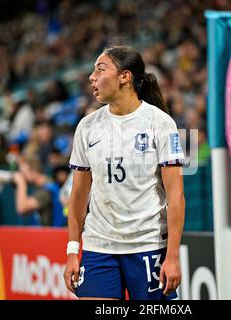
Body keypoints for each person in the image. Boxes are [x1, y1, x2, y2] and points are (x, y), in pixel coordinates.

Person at [63, 45, 186, 300]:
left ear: (125, 76)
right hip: (99, 246)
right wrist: (73, 250)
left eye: (100, 69)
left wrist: (173, 256)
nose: (91, 77)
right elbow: (78, 196)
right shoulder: (87, 127)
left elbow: (176, 196)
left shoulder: (161, 124)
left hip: (147, 245)